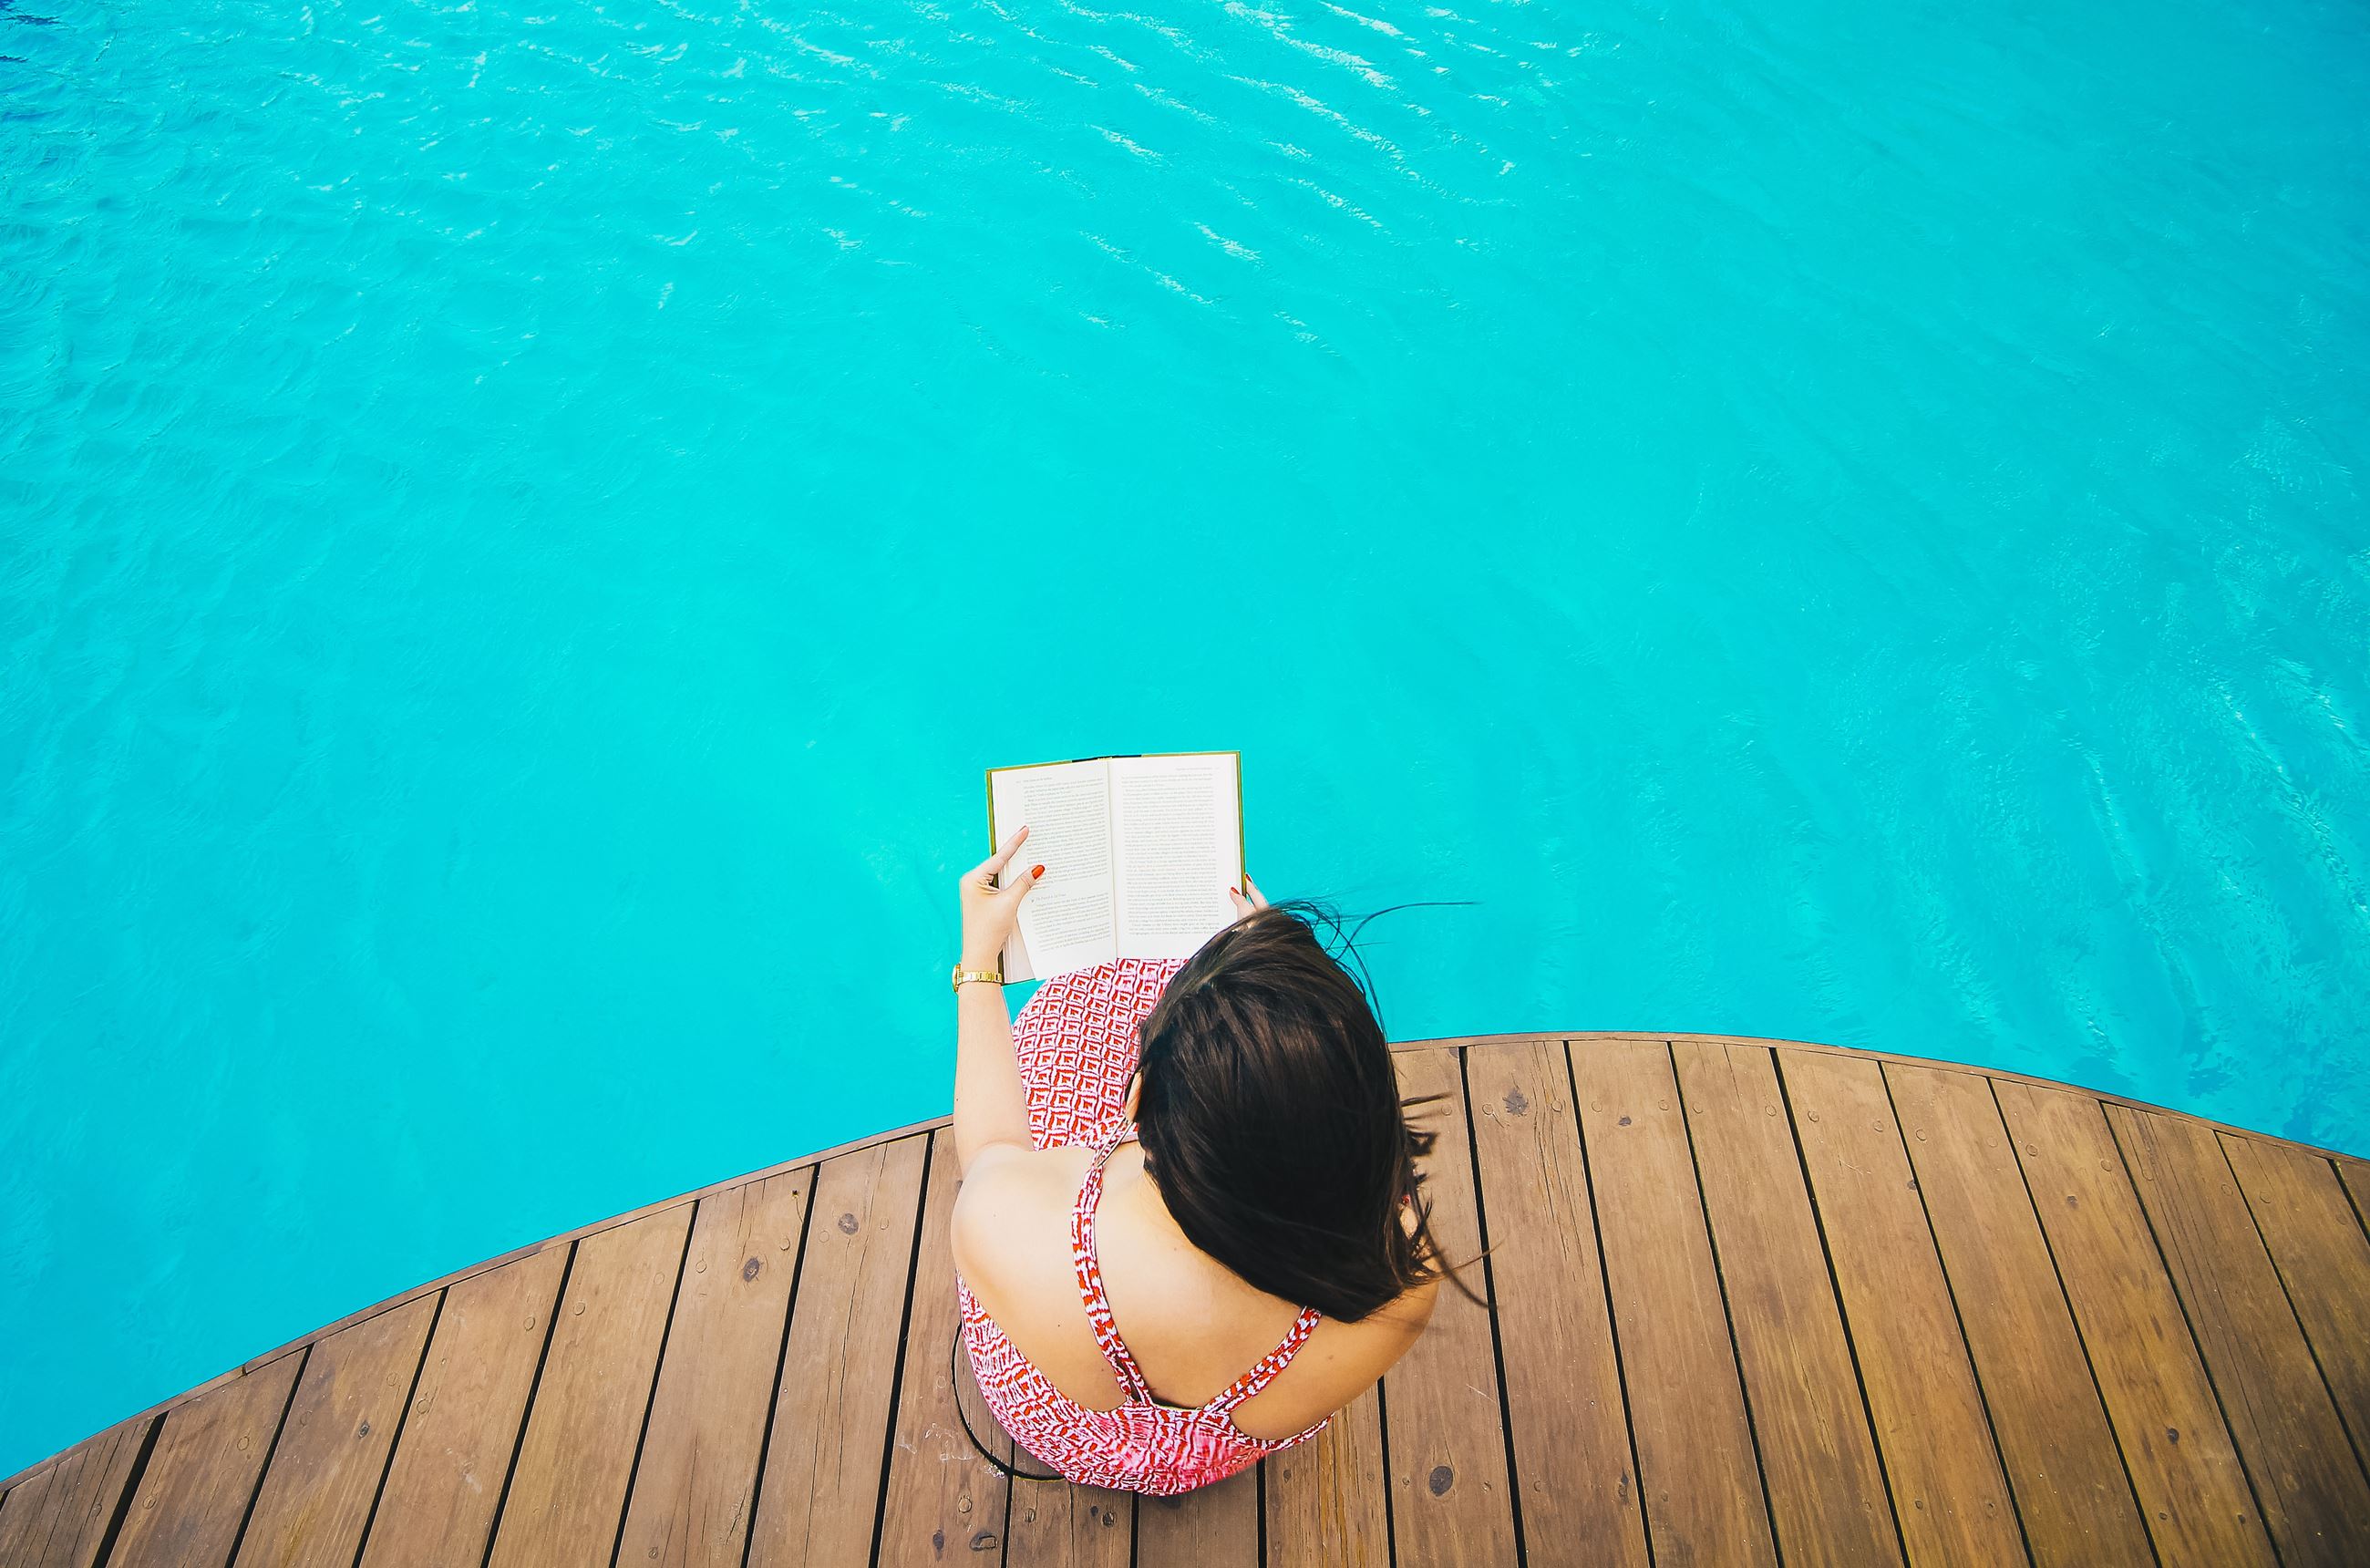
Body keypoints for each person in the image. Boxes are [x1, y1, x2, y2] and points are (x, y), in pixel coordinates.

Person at [947, 824, 1448, 1496]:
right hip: (1239, 1431)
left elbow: (989, 1153)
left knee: (1074, 1007)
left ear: (1135, 1097)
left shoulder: (1020, 1236)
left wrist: (978, 967)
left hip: (1066, 1413)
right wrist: (1284, 997)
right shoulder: (1403, 1279)